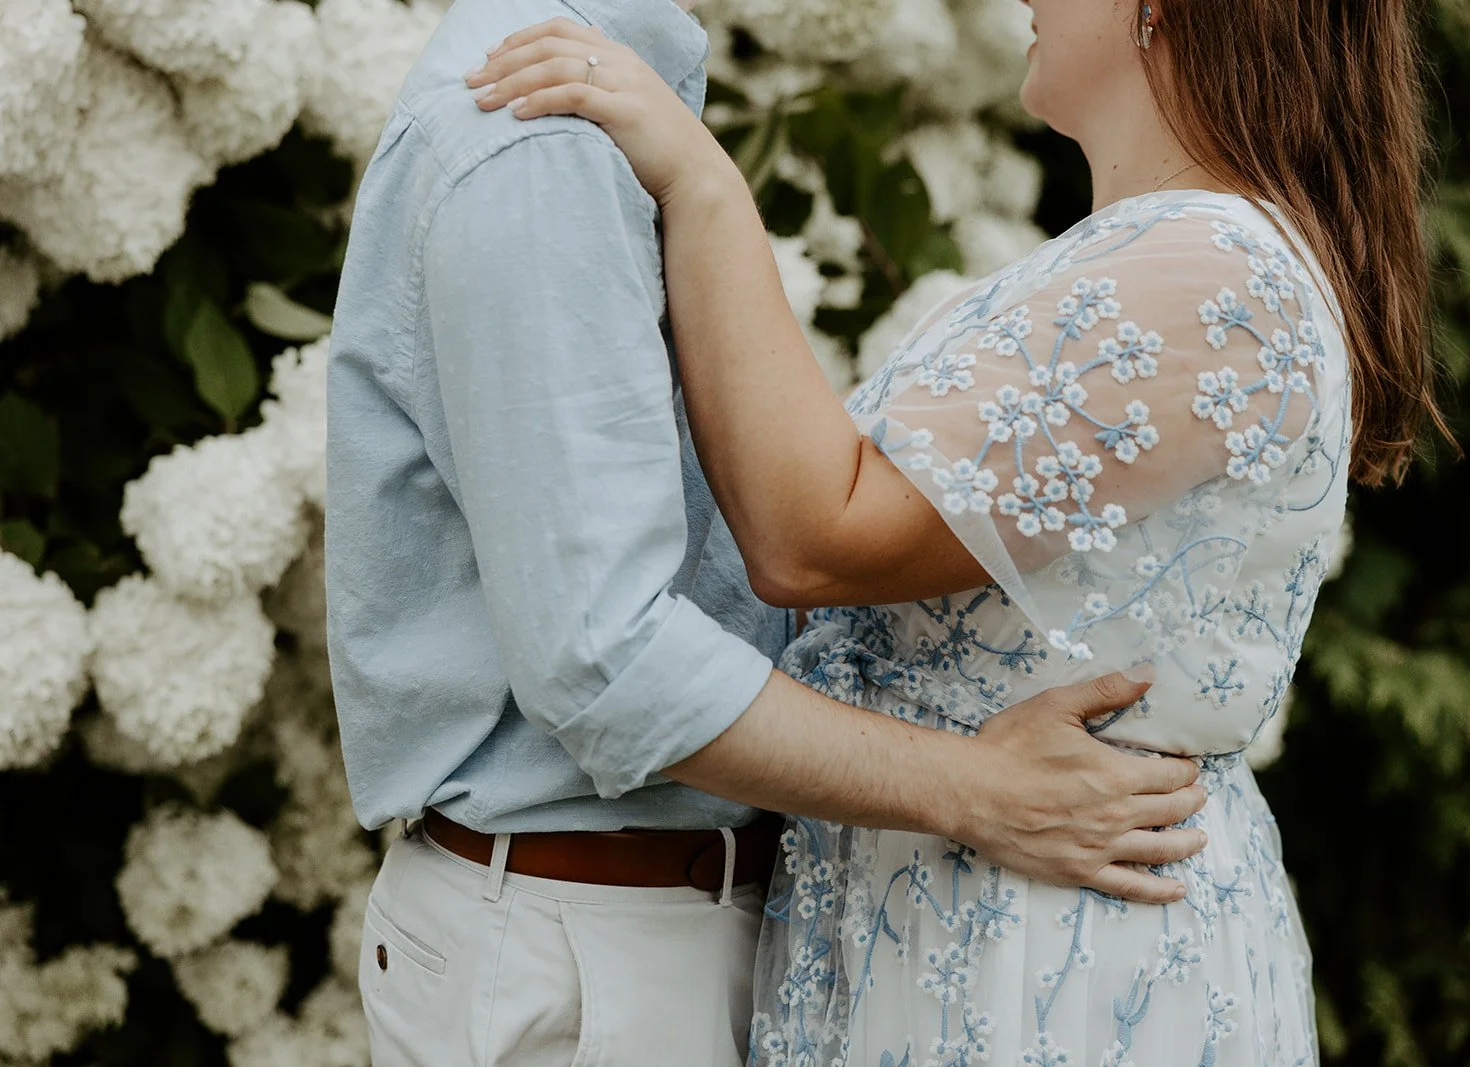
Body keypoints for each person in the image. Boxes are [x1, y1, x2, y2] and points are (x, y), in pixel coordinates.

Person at [464, 0, 1448, 1062]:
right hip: (978, 914)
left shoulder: (1213, 269)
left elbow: (814, 534)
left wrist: (701, 184)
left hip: (1043, 958)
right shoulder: (1169, 249)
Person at [323, 0, 1214, 1063]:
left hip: (638, 933)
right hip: (589, 957)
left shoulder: (606, 106)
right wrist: (977, 789)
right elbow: (604, 657)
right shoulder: (538, 143)